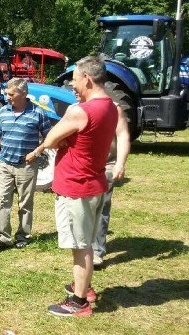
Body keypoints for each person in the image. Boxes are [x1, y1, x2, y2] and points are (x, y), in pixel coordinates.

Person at [39, 56, 118, 317]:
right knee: (85, 242)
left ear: (87, 78)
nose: (73, 86)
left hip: (77, 187)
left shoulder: (80, 110)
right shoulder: (111, 106)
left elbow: (50, 139)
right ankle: (84, 287)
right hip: (94, 182)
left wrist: (62, 139)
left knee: (81, 245)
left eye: (74, 79)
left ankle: (79, 302)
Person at [0, 77, 51, 249]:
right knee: (2, 200)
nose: (7, 97)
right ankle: (3, 236)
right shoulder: (3, 112)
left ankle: (23, 235)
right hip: (4, 163)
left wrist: (36, 153)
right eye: (6, 94)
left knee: (25, 202)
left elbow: (49, 138)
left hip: (26, 165)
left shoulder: (38, 113)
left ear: (23, 93)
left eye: (11, 94)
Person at [70, 83, 131, 268]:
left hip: (105, 166)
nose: (74, 91)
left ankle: (96, 251)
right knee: (80, 210)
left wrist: (120, 163)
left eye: (76, 87)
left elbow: (122, 136)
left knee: (101, 208)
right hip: (80, 168)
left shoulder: (112, 108)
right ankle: (82, 248)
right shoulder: (75, 109)